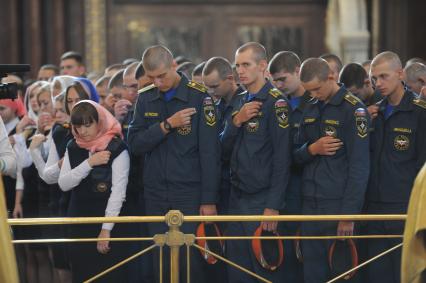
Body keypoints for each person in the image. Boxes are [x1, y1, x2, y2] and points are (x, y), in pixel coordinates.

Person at [128, 45, 220, 283]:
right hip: (156, 193)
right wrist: (165, 126)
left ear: (174, 67)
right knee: (161, 262)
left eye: (162, 76)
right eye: (152, 78)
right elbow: (135, 144)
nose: (158, 82)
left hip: (188, 193)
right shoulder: (146, 98)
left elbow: (210, 153)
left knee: (191, 264)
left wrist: (208, 200)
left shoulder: (200, 97)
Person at [294, 57, 370, 283]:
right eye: (309, 91)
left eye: (317, 89)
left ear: (331, 77)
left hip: (337, 206)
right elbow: (295, 155)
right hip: (310, 204)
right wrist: (312, 149)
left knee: (341, 274)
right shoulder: (310, 106)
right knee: (312, 274)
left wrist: (348, 215)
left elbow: (360, 166)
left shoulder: (354, 110)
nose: (314, 95)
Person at [221, 42, 291, 283]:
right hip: (236, 195)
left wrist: (273, 205)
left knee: (263, 269)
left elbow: (283, 159)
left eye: (246, 65)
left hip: (261, 199)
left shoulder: (276, 103)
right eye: (237, 65)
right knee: (237, 271)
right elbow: (222, 148)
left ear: (262, 66)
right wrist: (235, 121)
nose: (240, 70)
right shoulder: (239, 100)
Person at [366, 51, 426, 283]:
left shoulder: (419, 112)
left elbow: (423, 166)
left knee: (405, 274)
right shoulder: (373, 111)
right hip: (374, 207)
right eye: (374, 78)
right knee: (376, 274)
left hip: (405, 206)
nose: (378, 83)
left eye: (383, 76)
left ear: (400, 74)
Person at [58, 100, 129, 283]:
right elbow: (64, 184)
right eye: (78, 126)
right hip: (78, 219)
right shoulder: (73, 146)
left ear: (100, 121)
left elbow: (118, 192)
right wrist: (89, 163)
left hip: (108, 220)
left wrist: (106, 229)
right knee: (81, 274)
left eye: (88, 125)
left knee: (108, 275)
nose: (82, 132)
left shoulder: (117, 147)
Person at [268, 50, 309, 283]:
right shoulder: (276, 103)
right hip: (282, 192)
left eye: (283, 79)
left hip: (308, 189)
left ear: (298, 71)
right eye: (275, 80)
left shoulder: (314, 103)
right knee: (283, 262)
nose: (278, 85)